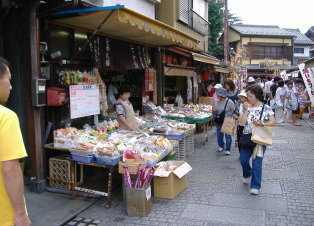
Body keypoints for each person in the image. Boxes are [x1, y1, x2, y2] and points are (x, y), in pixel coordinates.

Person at [0, 57, 32, 226]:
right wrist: (20, 214)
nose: (11, 86)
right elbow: (10, 169)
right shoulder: (6, 117)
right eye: (9, 79)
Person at [239, 84, 276, 195]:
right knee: (243, 160)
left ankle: (255, 186)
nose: (248, 98)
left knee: (257, 163)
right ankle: (247, 173)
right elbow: (242, 123)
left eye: (250, 96)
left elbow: (273, 122)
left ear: (257, 96)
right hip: (246, 137)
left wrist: (262, 123)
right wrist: (245, 110)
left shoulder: (266, 107)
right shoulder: (246, 107)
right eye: (247, 96)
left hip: (260, 138)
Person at [215, 87, 235, 155]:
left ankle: (228, 148)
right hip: (220, 120)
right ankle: (221, 146)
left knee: (228, 136)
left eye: (218, 95)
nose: (217, 96)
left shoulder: (230, 102)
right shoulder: (218, 101)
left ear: (221, 95)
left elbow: (233, 110)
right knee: (219, 135)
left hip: (228, 120)